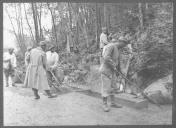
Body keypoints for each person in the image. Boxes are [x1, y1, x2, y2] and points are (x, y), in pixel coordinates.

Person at [99, 37, 131, 112]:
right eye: (124, 44)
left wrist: (120, 70)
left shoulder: (118, 49)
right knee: (106, 88)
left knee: (113, 87)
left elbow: (117, 61)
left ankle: (112, 103)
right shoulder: (111, 46)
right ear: (120, 42)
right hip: (106, 71)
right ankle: (104, 104)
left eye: (125, 45)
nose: (124, 46)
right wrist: (113, 65)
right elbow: (106, 57)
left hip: (112, 71)